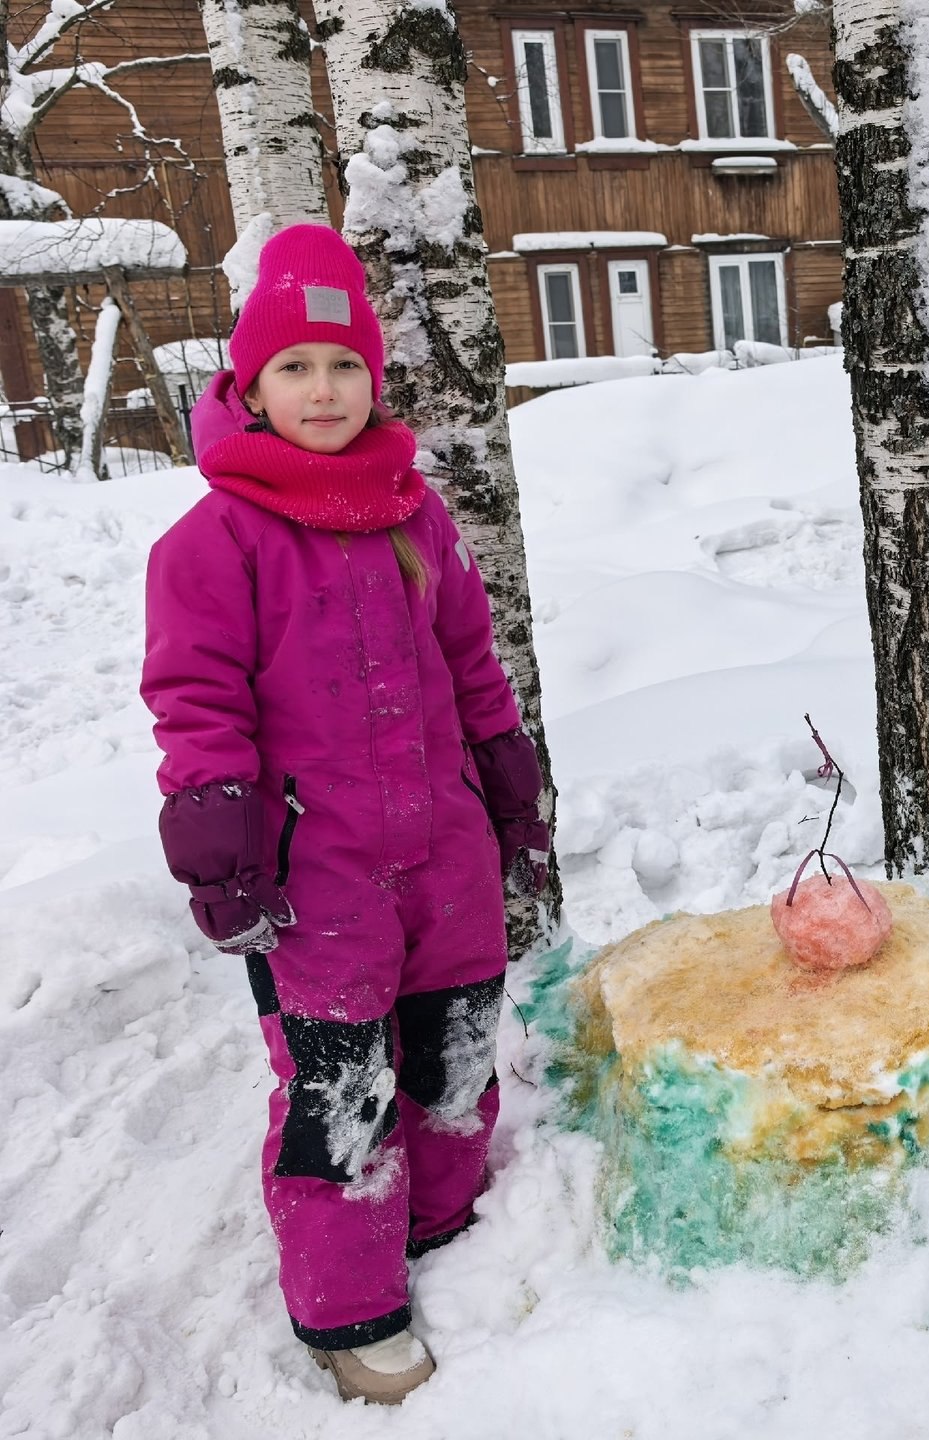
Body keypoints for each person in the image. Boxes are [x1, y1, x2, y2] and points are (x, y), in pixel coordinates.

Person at [141, 225, 551, 1404]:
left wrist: (507, 778)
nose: (324, 390)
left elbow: (471, 661)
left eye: (344, 366)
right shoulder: (213, 539)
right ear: (251, 387)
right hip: (314, 873)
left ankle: (450, 1228)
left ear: (375, 378)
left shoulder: (416, 516)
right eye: (294, 369)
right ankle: (350, 1308)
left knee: (454, 1051)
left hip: (447, 858)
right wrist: (217, 830)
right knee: (339, 1086)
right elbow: (196, 698)